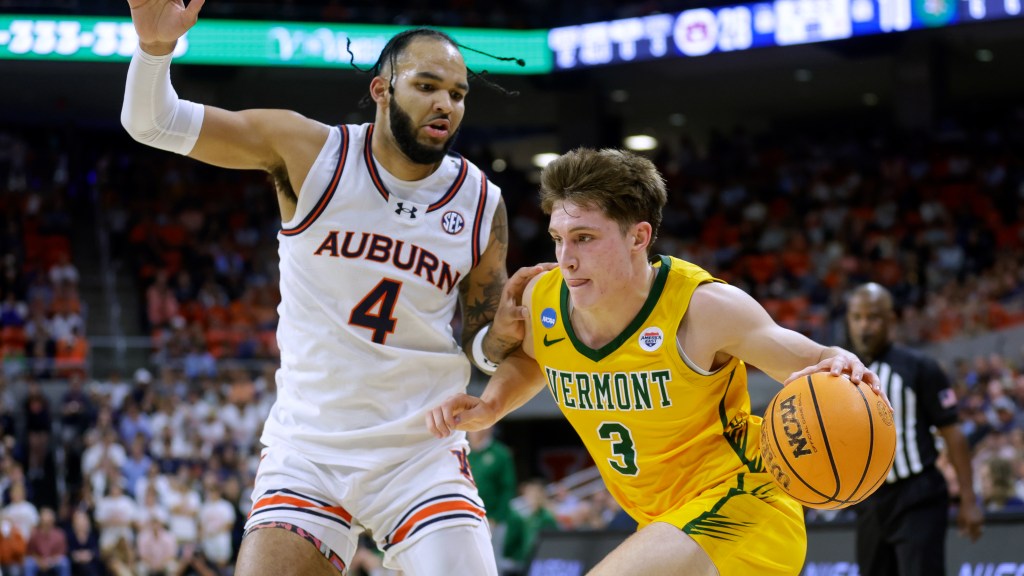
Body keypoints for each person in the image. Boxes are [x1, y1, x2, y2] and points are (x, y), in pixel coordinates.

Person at [121, 2, 547, 574]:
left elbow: (480, 349)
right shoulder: (309, 152)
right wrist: (154, 50)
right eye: (427, 86)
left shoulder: (478, 201)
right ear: (381, 89)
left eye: (458, 93)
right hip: (310, 450)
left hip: (419, 451)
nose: (445, 103)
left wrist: (500, 336)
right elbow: (154, 123)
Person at [427, 148, 886, 575]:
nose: (566, 259)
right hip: (661, 522)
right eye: (558, 239)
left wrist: (840, 362)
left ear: (638, 236)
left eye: (584, 238)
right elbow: (535, 361)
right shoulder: (541, 297)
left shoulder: (704, 309)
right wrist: (491, 404)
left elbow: (816, 361)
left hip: (744, 503)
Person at [845, 282, 983, 576]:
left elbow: (954, 435)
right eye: (857, 318)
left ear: (891, 320)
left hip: (918, 494)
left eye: (873, 317)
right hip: (870, 500)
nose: (864, 326)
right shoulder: (842, 372)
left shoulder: (919, 367)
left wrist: (969, 500)